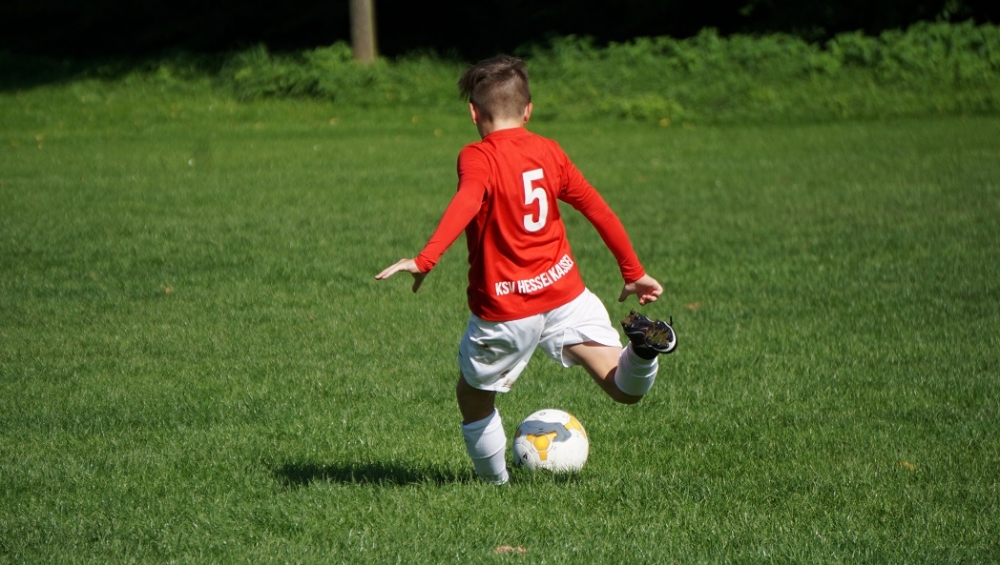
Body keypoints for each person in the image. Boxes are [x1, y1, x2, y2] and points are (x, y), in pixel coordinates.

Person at [375, 55, 676, 485]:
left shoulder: (477, 156)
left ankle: (494, 486)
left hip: (506, 310)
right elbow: (597, 209)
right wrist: (632, 271)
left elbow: (467, 200)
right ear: (528, 110)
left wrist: (425, 259)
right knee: (621, 386)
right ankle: (644, 352)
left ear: (473, 113)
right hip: (565, 295)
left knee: (473, 398)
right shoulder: (549, 151)